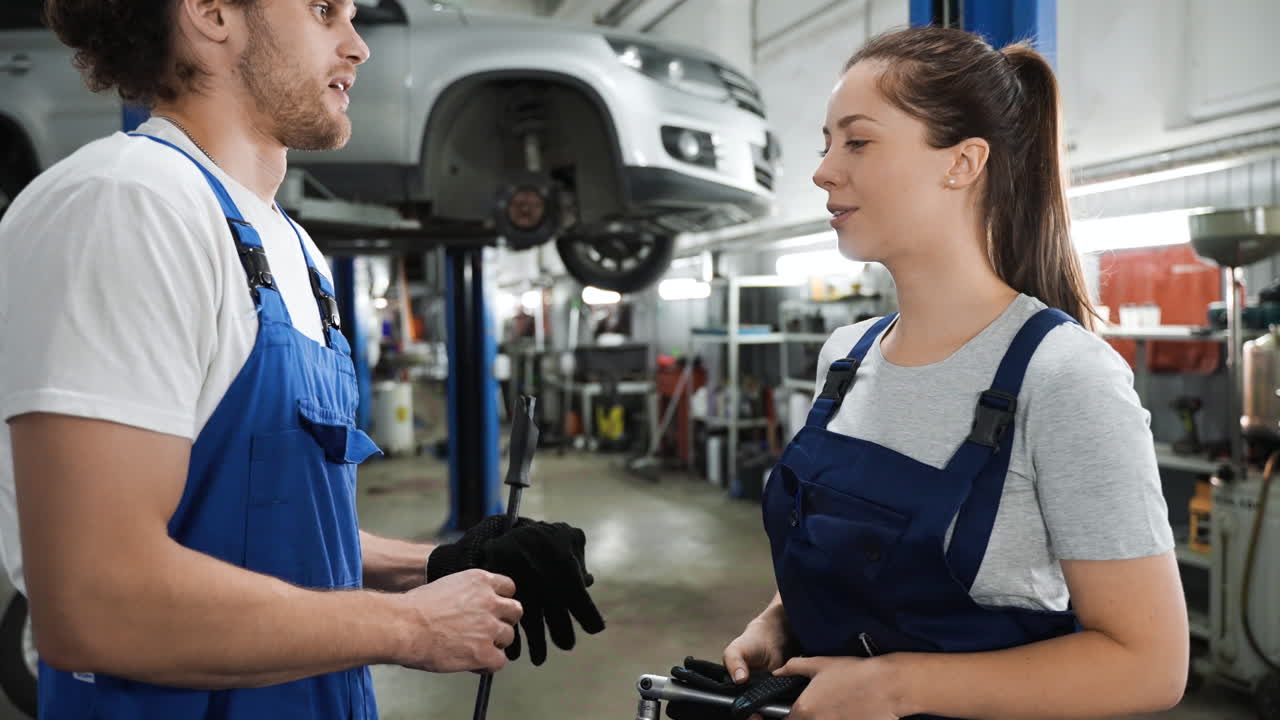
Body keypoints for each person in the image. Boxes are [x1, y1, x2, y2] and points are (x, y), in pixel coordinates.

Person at [0, 1, 601, 719]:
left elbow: (264, 518)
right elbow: (96, 602)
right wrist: (411, 625)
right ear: (213, 12)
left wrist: (434, 565)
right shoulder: (125, 207)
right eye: (323, 10)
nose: (357, 47)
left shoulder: (295, 251)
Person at [718, 27, 1188, 720]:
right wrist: (780, 621)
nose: (822, 170)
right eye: (826, 144)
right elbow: (862, 562)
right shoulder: (845, 358)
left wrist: (895, 687)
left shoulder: (1063, 377)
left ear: (963, 162)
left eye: (857, 141)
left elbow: (1150, 665)